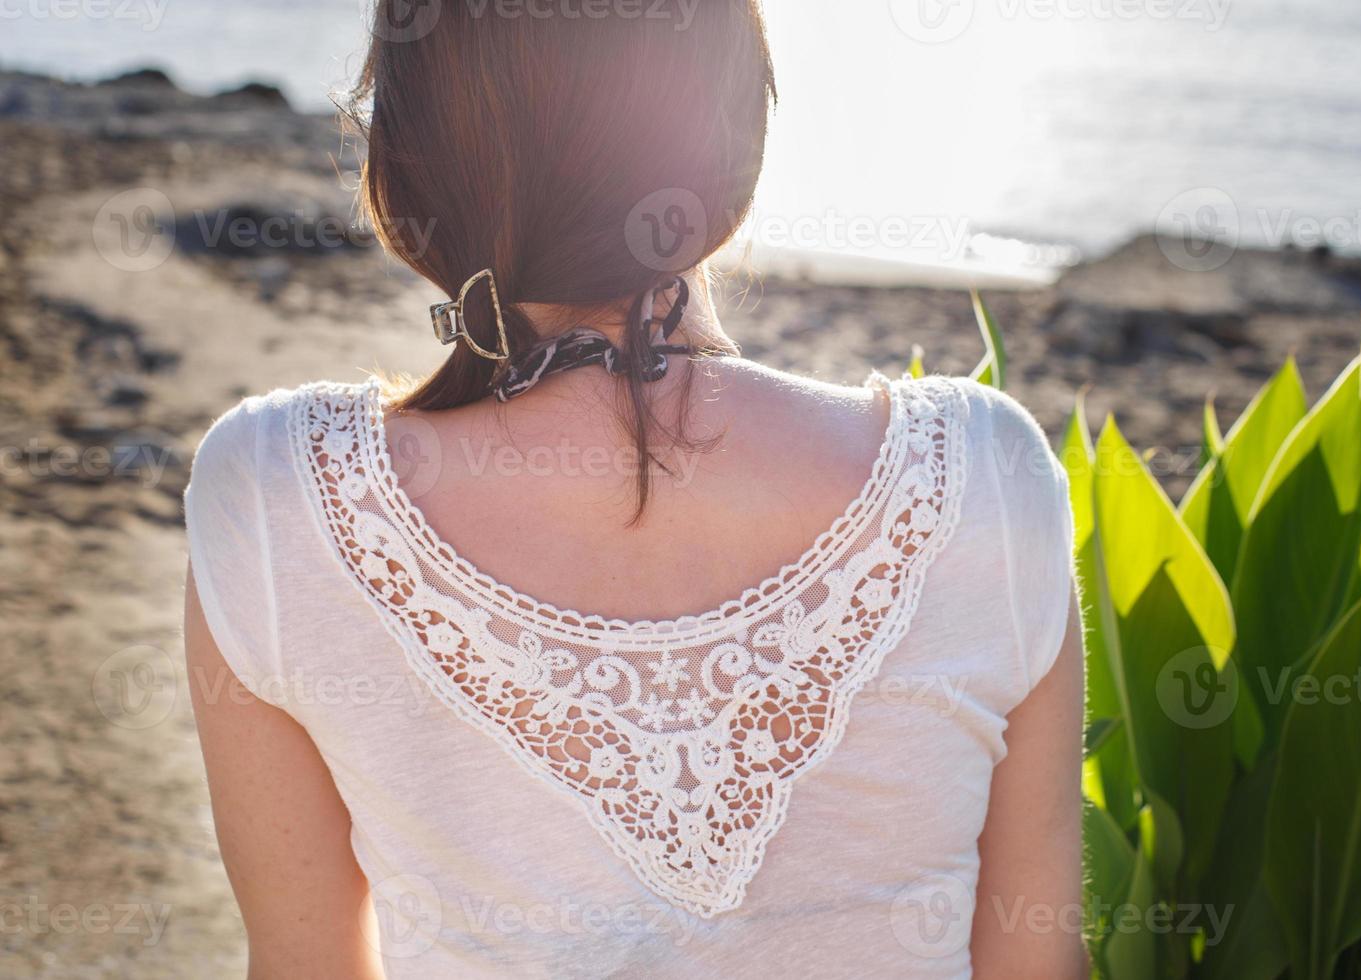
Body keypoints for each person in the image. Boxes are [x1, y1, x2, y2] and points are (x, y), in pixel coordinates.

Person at [182, 2, 1085, 976]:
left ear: (403, 169)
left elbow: (303, 962)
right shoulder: (978, 474)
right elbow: (1037, 962)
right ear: (735, 150)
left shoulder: (280, 495)